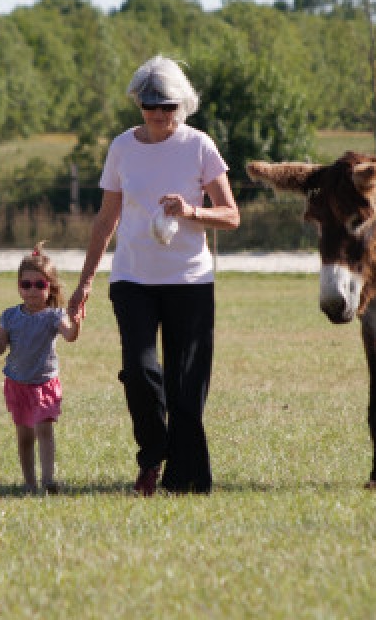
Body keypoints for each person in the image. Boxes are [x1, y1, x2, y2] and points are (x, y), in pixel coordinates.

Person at [67, 55, 240, 496]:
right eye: (151, 106)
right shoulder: (122, 147)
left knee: (187, 388)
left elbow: (231, 215)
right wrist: (85, 282)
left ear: (182, 106)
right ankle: (152, 457)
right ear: (138, 104)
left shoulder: (199, 146)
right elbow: (106, 218)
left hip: (190, 281)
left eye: (169, 107)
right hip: (133, 279)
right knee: (141, 372)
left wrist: (191, 211)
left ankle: (187, 480)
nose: (160, 115)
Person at [0, 242, 81, 494]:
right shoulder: (10, 316)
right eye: (26, 285)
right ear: (19, 287)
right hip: (18, 384)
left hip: (44, 383)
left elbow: (70, 336)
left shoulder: (55, 316)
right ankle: (30, 483)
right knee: (24, 438)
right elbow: (0, 347)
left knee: (44, 429)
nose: (32, 291)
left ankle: (48, 481)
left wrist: (76, 323)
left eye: (39, 285)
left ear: (50, 287)